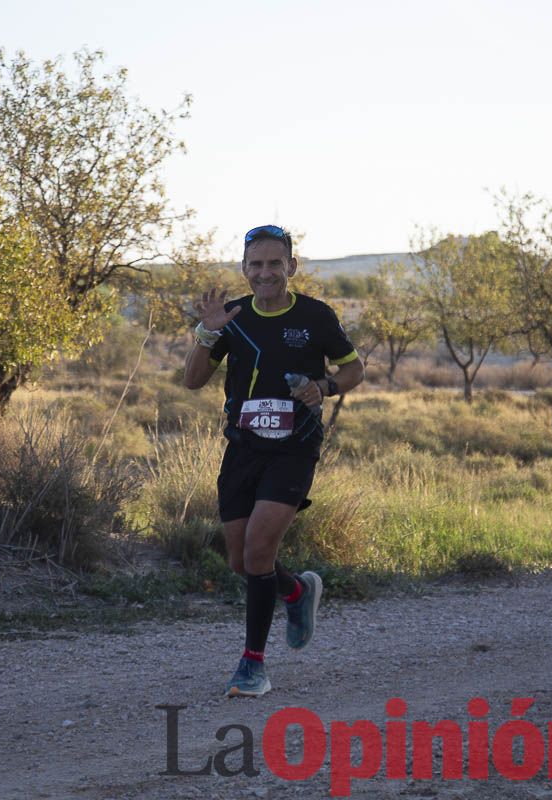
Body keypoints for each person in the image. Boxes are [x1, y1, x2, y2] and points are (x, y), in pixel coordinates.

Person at [183, 224, 365, 697]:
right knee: (242, 562)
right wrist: (207, 333)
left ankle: (253, 666)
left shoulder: (315, 315)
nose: (266, 272)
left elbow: (354, 368)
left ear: (291, 266)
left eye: (274, 263)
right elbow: (193, 381)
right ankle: (297, 592)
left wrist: (322, 387)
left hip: (294, 447)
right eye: (256, 264)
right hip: (243, 448)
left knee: (259, 552)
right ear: (244, 269)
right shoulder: (234, 317)